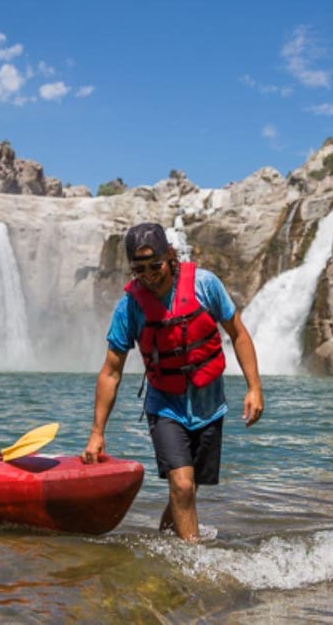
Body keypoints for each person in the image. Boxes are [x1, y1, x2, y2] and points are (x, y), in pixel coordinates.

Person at [81, 222, 264, 541]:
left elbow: (238, 334)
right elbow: (111, 371)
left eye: (156, 265)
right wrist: (97, 433)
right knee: (181, 484)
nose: (149, 275)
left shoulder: (205, 285)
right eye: (140, 269)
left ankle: (166, 540)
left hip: (210, 407)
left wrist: (254, 387)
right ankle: (194, 563)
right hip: (165, 406)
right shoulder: (130, 307)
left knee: (188, 488)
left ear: (171, 256)